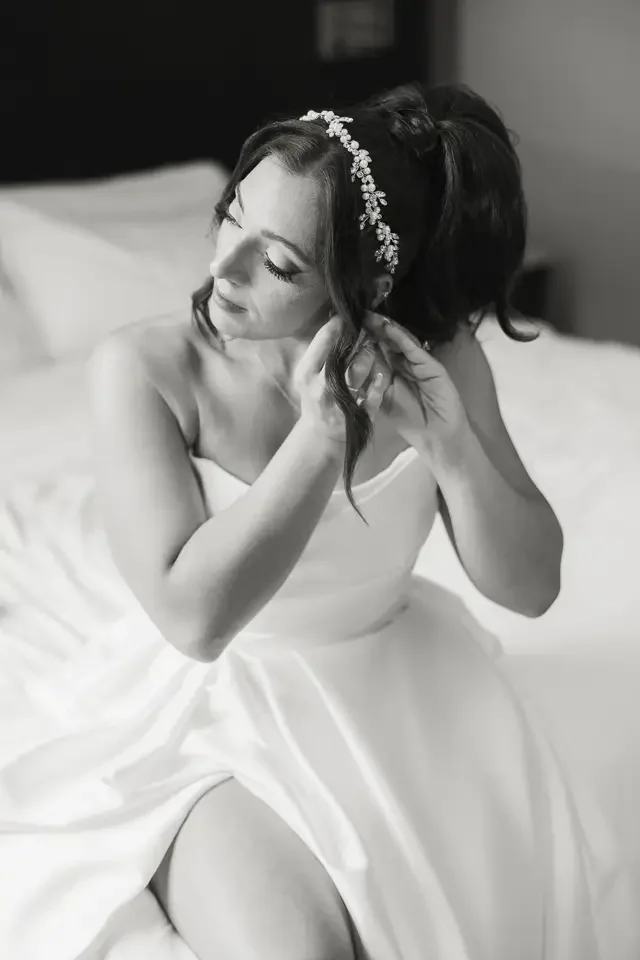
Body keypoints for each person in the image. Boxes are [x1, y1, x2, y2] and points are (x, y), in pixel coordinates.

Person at [1, 82, 639, 960]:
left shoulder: (436, 356)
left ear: (366, 283)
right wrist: (322, 433)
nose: (222, 269)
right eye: (229, 218)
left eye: (280, 262)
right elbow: (195, 618)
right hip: (217, 708)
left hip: (401, 685)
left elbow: (532, 586)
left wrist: (451, 447)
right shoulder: (144, 367)